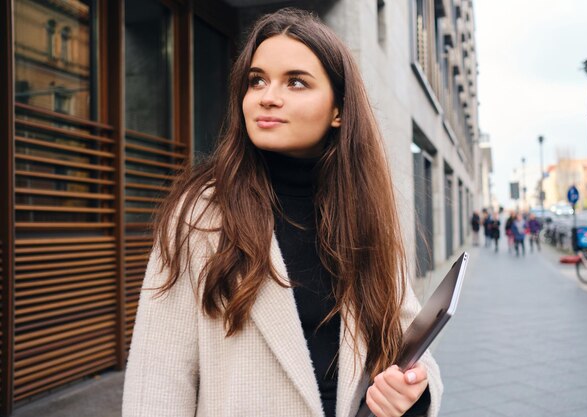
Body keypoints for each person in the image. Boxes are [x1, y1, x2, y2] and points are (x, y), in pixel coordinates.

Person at [122, 8, 442, 417]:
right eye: (257, 80)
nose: (267, 96)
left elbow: (410, 342)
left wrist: (414, 393)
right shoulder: (200, 214)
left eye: (295, 82)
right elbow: (158, 379)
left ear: (338, 111)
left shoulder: (365, 212)